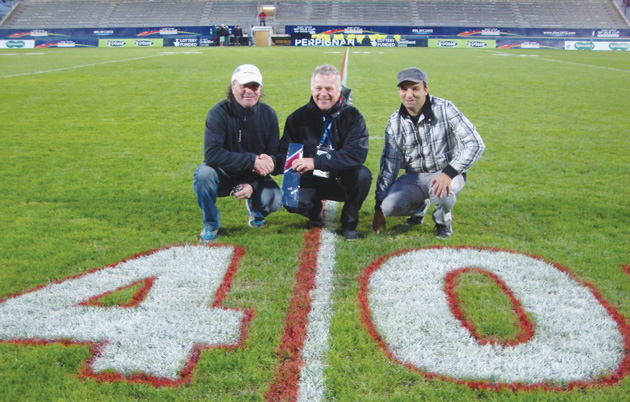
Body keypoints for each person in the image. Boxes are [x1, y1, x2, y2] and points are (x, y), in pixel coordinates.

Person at [372, 67, 485, 238]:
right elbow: (389, 165)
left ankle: (442, 221)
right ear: (399, 91)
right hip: (414, 177)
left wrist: (449, 173)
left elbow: (476, 144)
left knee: (441, 192)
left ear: (425, 89)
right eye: (404, 89)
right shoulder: (395, 122)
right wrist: (378, 207)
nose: (409, 94)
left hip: (445, 172)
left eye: (415, 88)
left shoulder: (445, 109)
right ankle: (418, 209)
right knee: (389, 206)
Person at [275, 64, 371, 241]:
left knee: (362, 175)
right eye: (318, 88)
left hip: (340, 180)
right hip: (311, 179)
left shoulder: (353, 116)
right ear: (312, 88)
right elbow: (285, 153)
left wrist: (315, 161)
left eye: (329, 88)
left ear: (339, 90)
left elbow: (356, 154)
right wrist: (269, 163)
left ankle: (349, 221)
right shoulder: (297, 118)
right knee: (291, 200)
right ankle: (314, 210)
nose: (323, 94)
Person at [193, 64, 282, 243]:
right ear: (233, 87)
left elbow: (275, 158)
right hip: (223, 174)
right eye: (243, 86)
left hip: (254, 176)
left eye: (254, 86)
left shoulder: (269, 115)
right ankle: (211, 224)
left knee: (273, 199)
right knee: (203, 174)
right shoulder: (218, 113)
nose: (249, 91)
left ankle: (256, 211)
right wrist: (252, 161)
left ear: (260, 89)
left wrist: (253, 183)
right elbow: (212, 155)